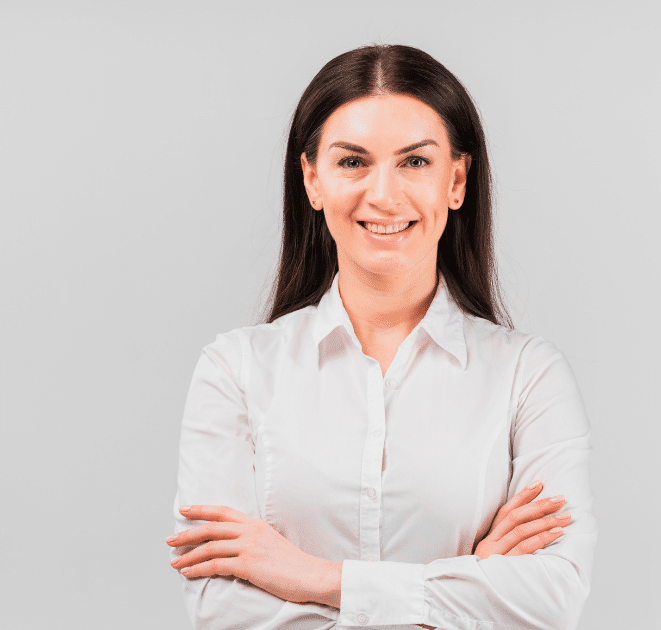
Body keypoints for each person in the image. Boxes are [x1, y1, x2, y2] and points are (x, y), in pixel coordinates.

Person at [165, 44, 596, 630]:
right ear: (312, 180)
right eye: (352, 162)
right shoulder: (235, 371)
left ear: (457, 180)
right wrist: (466, 578)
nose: (384, 195)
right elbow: (222, 609)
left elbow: (552, 598)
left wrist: (311, 577)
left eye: (415, 162)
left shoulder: (529, 376)